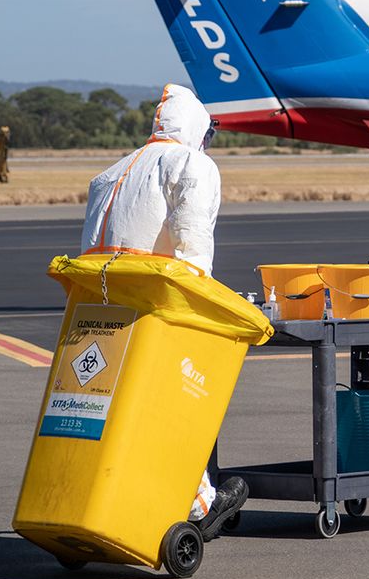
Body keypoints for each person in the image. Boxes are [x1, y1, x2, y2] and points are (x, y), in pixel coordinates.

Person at [79, 82, 247, 541]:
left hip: (100, 315)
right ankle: (200, 507)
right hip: (162, 313)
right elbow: (194, 254)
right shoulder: (193, 165)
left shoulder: (110, 173)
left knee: (111, 413)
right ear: (195, 127)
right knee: (176, 407)